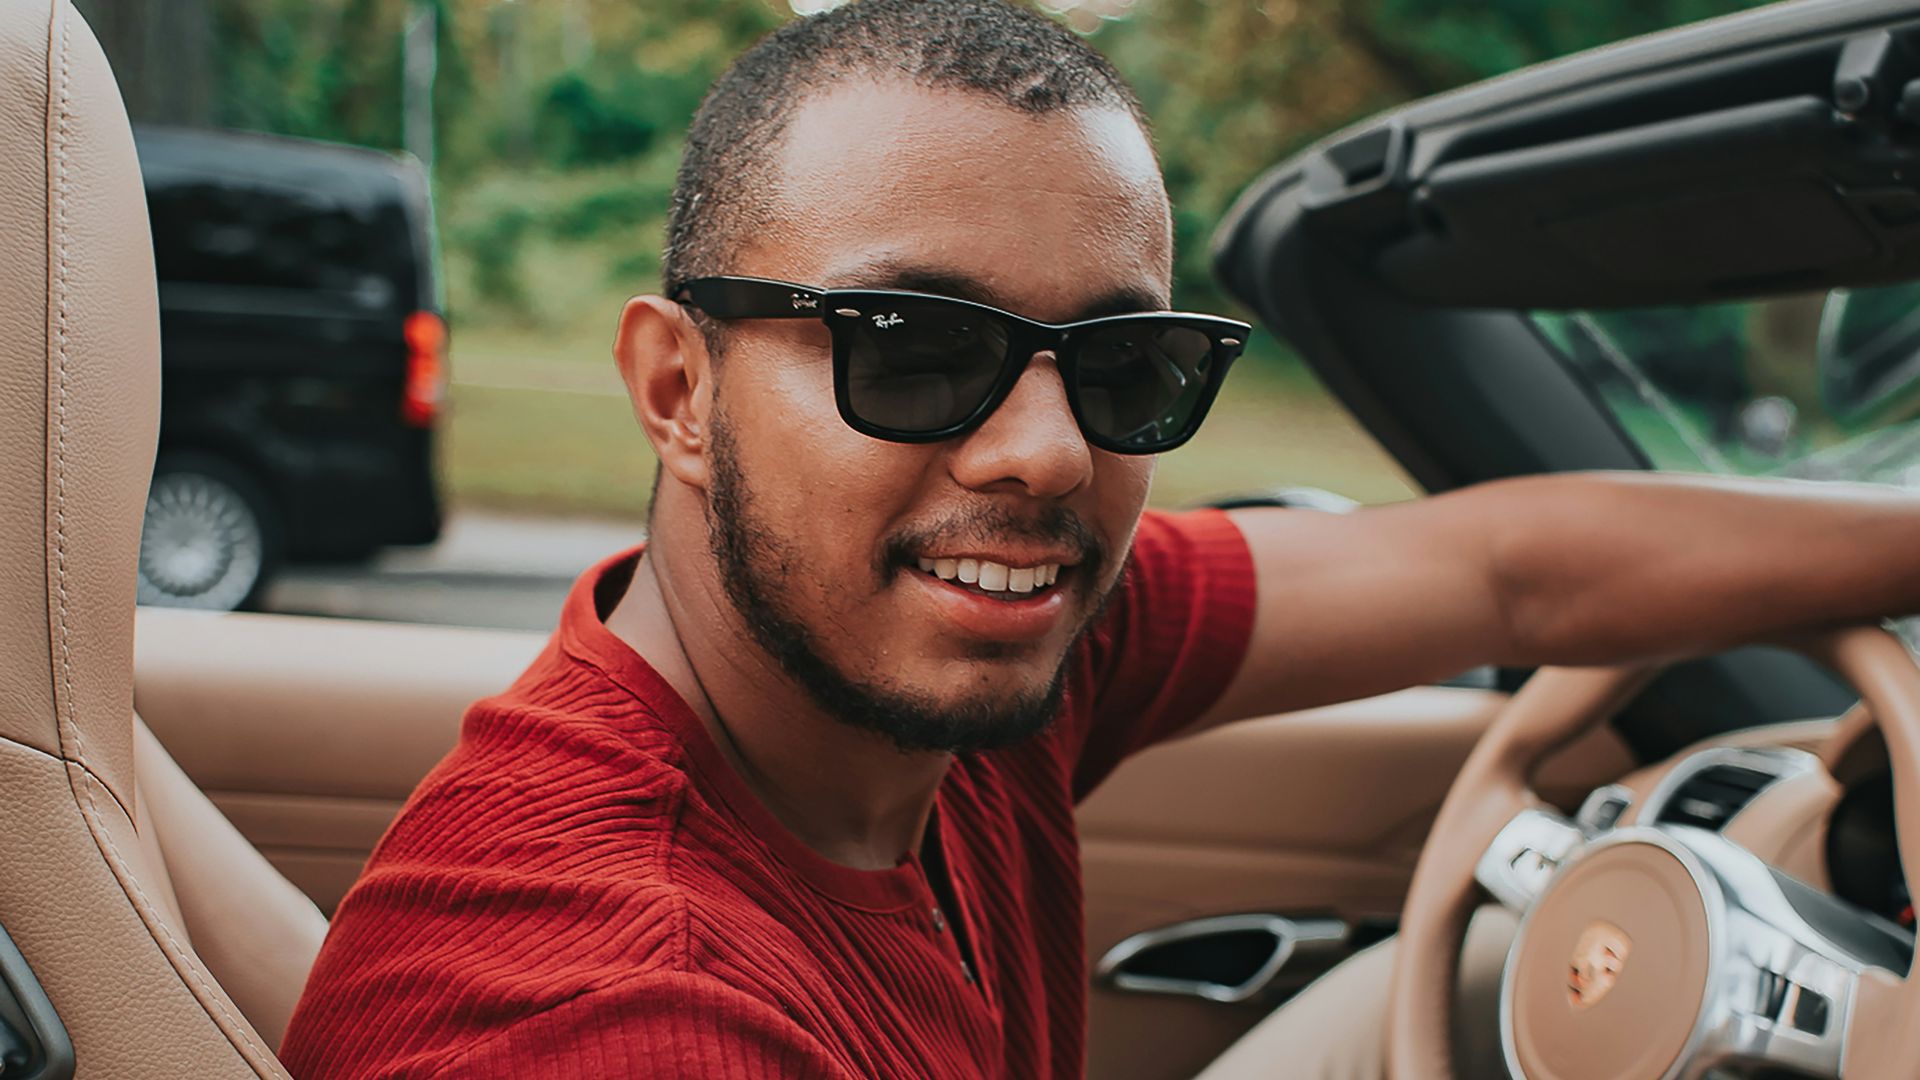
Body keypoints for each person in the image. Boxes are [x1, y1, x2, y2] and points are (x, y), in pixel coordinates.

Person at [280, 2, 1920, 1077]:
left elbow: (1509, 572)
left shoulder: (946, 652)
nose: (1048, 452)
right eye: (913, 347)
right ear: (677, 389)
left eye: (1128, 366)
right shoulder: (619, 1013)